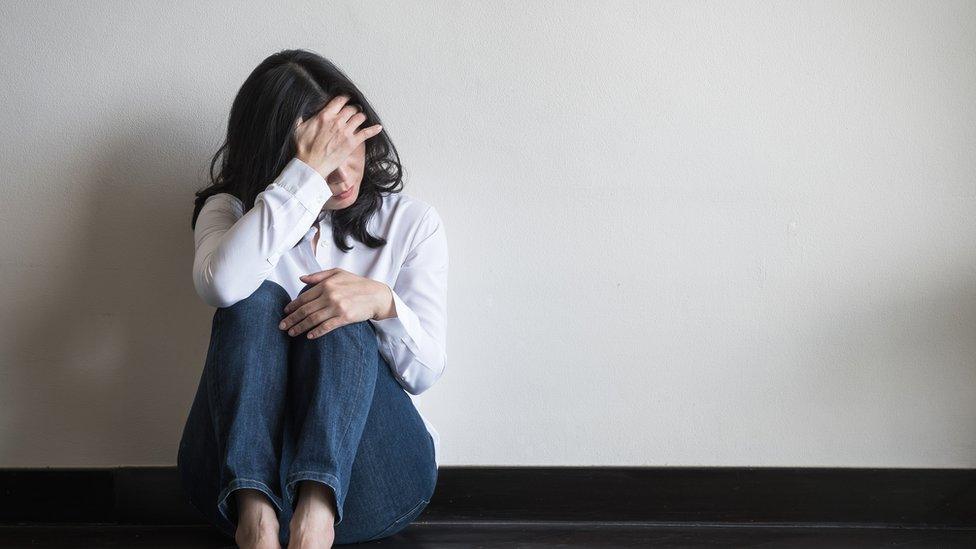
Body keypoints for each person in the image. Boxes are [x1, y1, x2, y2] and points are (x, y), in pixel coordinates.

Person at [176, 49, 447, 548]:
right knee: (253, 300)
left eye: (350, 149)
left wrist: (380, 303)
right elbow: (219, 285)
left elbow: (423, 374)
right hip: (231, 483)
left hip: (376, 478)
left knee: (341, 308)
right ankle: (256, 520)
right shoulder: (230, 212)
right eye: (324, 158)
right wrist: (302, 180)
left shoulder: (411, 224)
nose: (344, 178)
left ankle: (316, 516)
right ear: (281, 158)